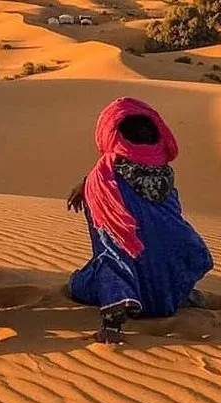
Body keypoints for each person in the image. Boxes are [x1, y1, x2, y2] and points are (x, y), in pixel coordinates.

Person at [67, 97, 213, 343]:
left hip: (129, 297)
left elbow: (112, 251)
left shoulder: (104, 186)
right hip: (168, 298)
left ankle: (118, 302)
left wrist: (112, 319)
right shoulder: (165, 179)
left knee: (79, 284)